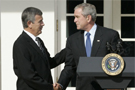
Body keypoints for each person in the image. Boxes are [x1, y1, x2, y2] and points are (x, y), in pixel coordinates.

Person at [57, 3, 122, 90]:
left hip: (106, 88)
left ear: (88, 18)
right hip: (83, 87)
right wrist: (60, 85)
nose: (74, 20)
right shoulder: (72, 40)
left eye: (77, 17)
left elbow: (119, 62)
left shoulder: (110, 35)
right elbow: (70, 66)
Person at [13, 7, 65, 90]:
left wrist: (68, 50)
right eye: (40, 21)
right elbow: (28, 76)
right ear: (29, 23)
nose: (43, 24)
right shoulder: (21, 44)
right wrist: (50, 87)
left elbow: (48, 63)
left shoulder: (38, 41)